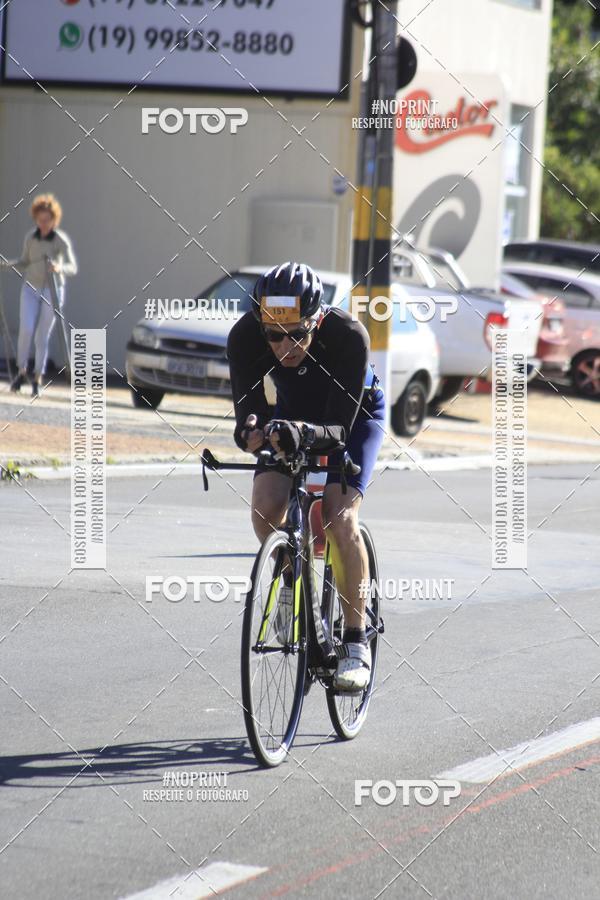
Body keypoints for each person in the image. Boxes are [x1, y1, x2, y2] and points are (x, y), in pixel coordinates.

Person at [227, 261, 385, 692]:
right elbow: (247, 414)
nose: (286, 345)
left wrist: (301, 434)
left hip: (354, 417)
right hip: (293, 415)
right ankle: (291, 580)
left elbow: (338, 431)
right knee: (265, 508)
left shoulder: (348, 336)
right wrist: (251, 432)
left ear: (317, 320)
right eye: (274, 335)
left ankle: (355, 641)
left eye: (298, 334)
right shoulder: (245, 336)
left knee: (338, 517)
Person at [1, 194, 77, 396]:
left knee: (42, 335)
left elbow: (72, 266)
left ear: (54, 220)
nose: (43, 224)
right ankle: (21, 371)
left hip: (52, 290)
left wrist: (59, 267)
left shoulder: (59, 240)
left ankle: (37, 377)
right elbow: (24, 262)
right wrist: (7, 265)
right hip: (31, 288)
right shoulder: (31, 238)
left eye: (47, 220)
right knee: (26, 328)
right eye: (40, 220)